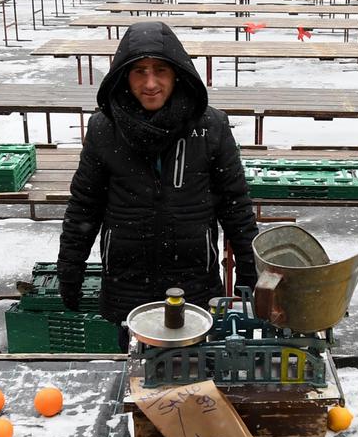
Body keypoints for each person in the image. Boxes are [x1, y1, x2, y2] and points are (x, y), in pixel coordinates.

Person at [56, 22, 258, 343]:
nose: (151, 83)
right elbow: (85, 206)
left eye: (160, 70)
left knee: (198, 376)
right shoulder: (104, 129)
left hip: (194, 280)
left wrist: (250, 270)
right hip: (128, 282)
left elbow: (236, 207)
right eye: (139, 72)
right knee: (139, 374)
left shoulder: (210, 127)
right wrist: (70, 268)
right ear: (124, 76)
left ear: (177, 73)